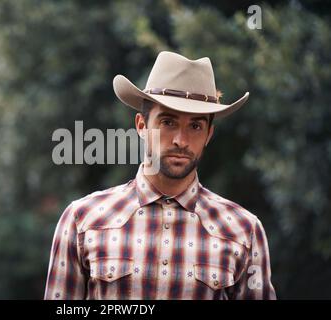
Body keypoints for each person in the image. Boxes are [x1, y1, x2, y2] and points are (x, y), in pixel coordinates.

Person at [44, 51, 276, 299]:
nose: (181, 140)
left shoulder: (243, 231)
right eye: (168, 122)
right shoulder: (83, 220)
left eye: (195, 126)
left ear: (209, 135)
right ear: (142, 126)